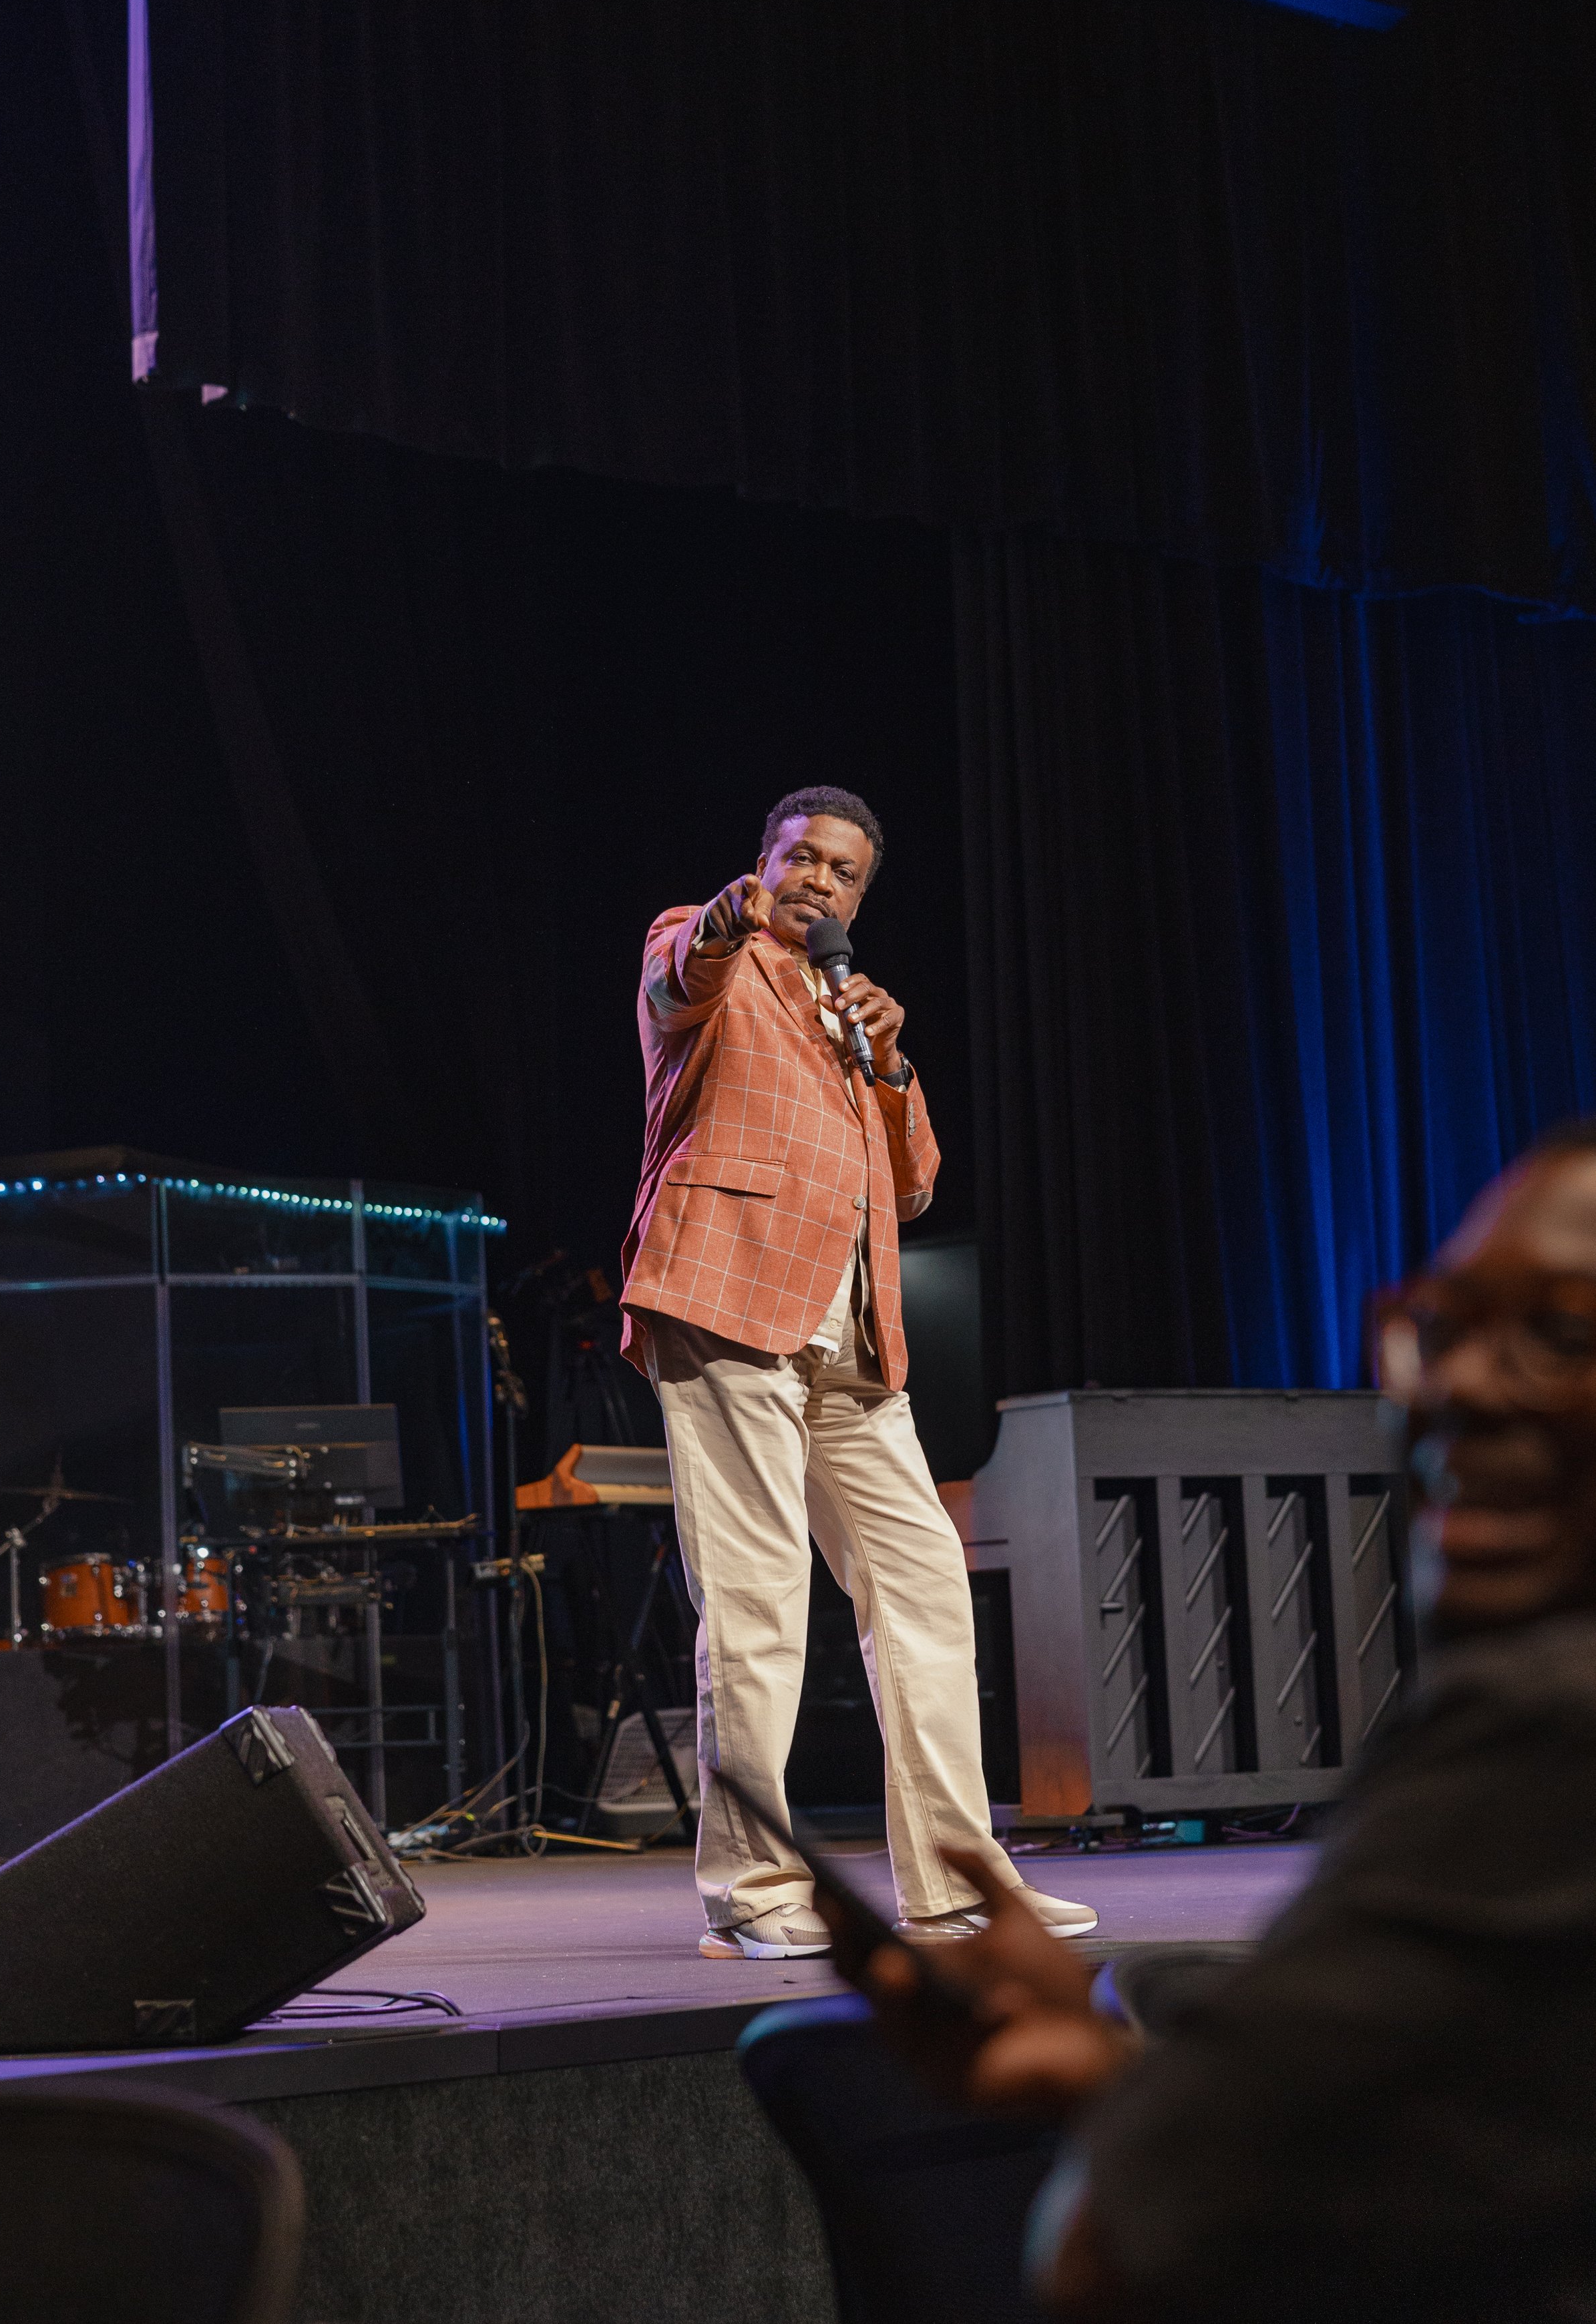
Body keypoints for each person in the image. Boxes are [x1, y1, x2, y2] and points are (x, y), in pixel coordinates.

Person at [830, 1122, 1596, 2321]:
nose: (1462, 1388)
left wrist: (1145, 2123)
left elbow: (1115, 2248)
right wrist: (1124, 2074)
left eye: (1562, 1334)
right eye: (1440, 1330)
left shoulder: (1544, 1738)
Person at [619, 785, 1096, 1960]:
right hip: (728, 1298)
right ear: (764, 861)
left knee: (927, 1590)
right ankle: (753, 1885)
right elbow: (681, 970)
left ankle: (956, 1880)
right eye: (802, 857)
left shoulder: (854, 1014)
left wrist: (885, 1059)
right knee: (759, 1597)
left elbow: (918, 1178)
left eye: (843, 870)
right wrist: (738, 914)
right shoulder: (711, 954)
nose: (821, 880)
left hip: (853, 1339)